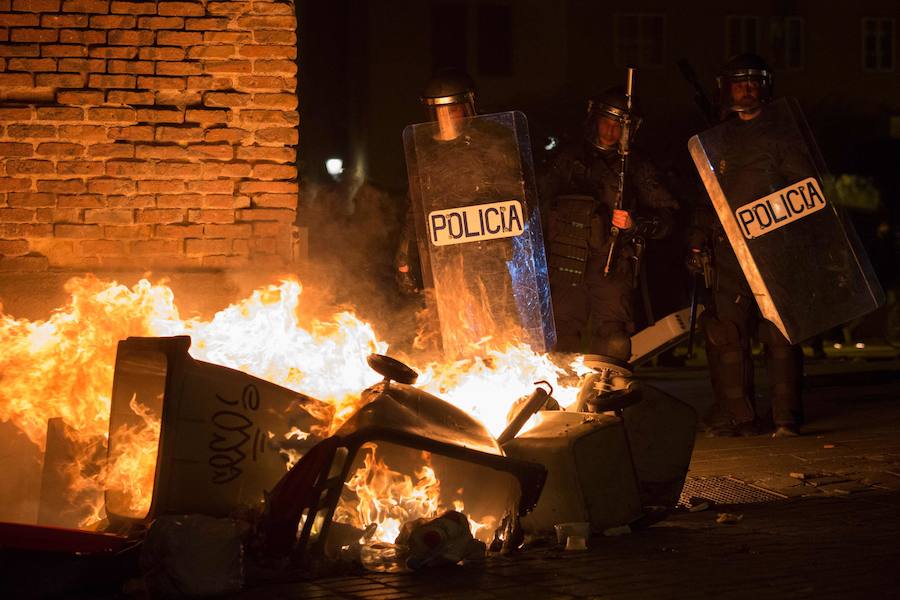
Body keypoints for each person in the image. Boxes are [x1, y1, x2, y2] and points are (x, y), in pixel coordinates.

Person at [686, 53, 805, 438]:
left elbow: (806, 193)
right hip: (728, 254)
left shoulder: (782, 136)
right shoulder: (718, 140)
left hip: (773, 250)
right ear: (727, 89)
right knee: (725, 334)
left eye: (752, 83)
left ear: (765, 88)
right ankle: (738, 416)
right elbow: (707, 198)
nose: (746, 90)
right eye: (739, 83)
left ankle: (785, 418)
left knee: (779, 333)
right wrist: (698, 238)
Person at [396, 68, 534, 357]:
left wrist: (497, 216)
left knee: (498, 320)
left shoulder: (494, 143)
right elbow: (416, 208)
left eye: (453, 110)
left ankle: (504, 368)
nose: (446, 118)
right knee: (452, 325)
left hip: (489, 255)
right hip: (446, 257)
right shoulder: (427, 152)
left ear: (468, 108)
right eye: (440, 112)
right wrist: (405, 252)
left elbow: (521, 197)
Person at [539, 87, 679, 361]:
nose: (611, 130)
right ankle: (559, 399)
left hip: (611, 265)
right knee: (562, 342)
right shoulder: (566, 159)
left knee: (613, 342)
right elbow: (539, 204)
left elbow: (668, 218)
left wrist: (635, 223)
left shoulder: (637, 166)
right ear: (594, 119)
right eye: (607, 121)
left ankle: (606, 400)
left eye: (619, 125)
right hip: (565, 262)